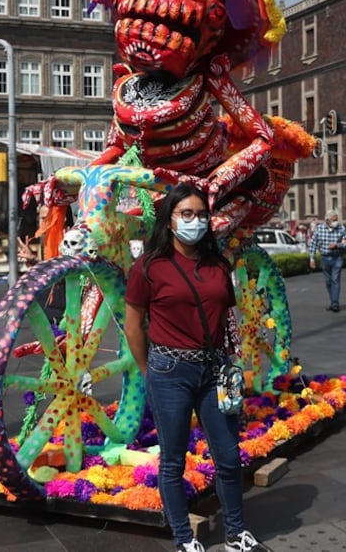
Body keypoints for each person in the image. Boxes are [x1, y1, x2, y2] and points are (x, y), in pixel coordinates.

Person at [123, 184, 269, 552]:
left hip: (215, 370)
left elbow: (226, 317)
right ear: (169, 220)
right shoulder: (149, 267)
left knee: (229, 456)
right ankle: (184, 539)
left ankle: (236, 533)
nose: (195, 221)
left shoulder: (217, 263)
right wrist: (148, 370)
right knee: (173, 460)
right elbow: (133, 325)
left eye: (201, 214)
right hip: (169, 371)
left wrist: (232, 363)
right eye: (186, 214)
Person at [307, 209, 346, 312]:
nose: (335, 222)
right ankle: (333, 301)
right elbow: (313, 243)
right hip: (324, 258)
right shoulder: (319, 229)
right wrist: (312, 258)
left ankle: (335, 303)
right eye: (334, 220)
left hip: (337, 257)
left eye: (336, 219)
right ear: (327, 220)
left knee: (335, 279)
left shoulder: (341, 228)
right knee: (328, 281)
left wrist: (337, 245)